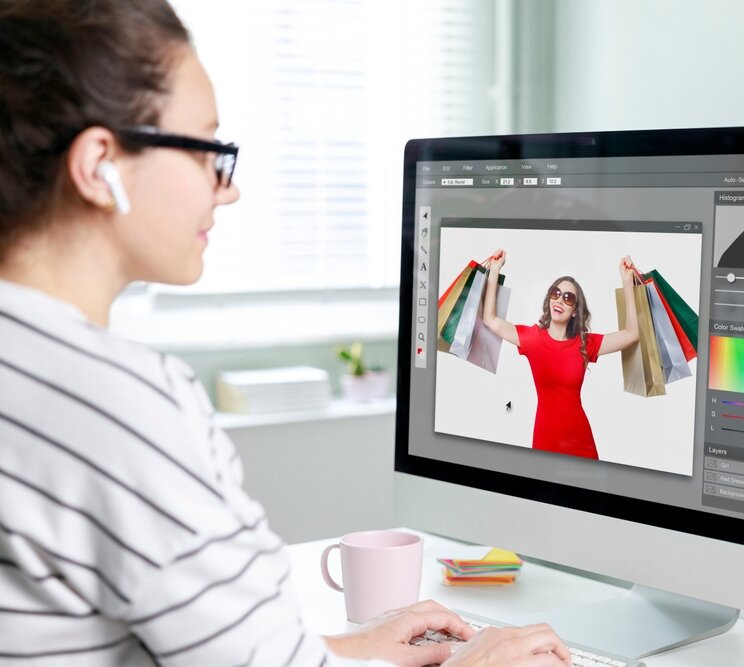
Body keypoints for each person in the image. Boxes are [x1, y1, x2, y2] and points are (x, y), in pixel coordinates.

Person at [0, 2, 571, 665]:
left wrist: (335, 649)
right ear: (101, 164)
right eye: (208, 149)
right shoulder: (122, 405)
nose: (227, 188)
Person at [482, 249, 640, 460]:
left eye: (568, 298)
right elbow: (490, 319)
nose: (559, 300)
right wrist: (494, 271)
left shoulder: (585, 343)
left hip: (580, 442)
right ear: (549, 299)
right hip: (545, 439)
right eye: (556, 294)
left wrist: (627, 281)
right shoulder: (532, 339)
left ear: (575, 310)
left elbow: (632, 334)